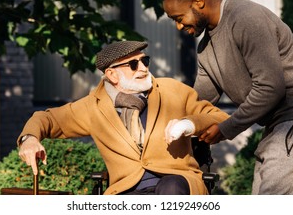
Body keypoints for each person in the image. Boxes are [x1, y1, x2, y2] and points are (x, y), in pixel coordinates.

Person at [160, 0, 293, 195]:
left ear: (198, 1)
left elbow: (270, 87)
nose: (178, 27)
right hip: (279, 122)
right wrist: (168, 119)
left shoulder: (245, 18)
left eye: (179, 18)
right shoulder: (205, 49)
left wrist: (226, 128)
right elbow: (199, 101)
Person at [17, 40, 229, 195]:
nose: (144, 68)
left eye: (145, 61)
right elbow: (48, 119)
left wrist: (189, 124)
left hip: (176, 184)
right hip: (126, 190)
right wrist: (30, 139)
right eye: (134, 65)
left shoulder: (172, 91)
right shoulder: (93, 106)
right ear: (112, 75)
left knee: (170, 188)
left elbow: (218, 117)